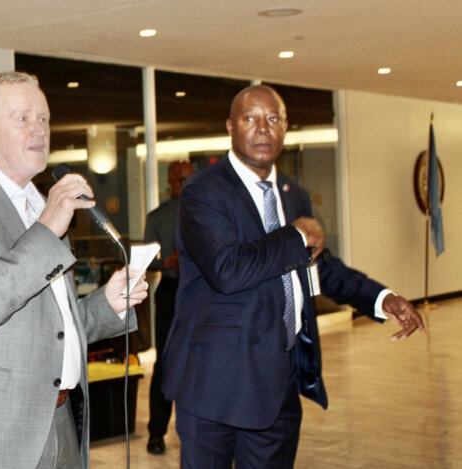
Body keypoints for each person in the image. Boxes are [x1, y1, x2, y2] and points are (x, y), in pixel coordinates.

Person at [161, 84, 425, 468]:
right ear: (230, 127)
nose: (263, 129)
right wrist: (296, 234)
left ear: (285, 127)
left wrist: (382, 298)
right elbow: (227, 269)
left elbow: (320, 266)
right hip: (215, 385)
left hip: (278, 382)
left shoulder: (293, 195)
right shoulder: (203, 192)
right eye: (250, 119)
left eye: (273, 119)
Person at [0, 71, 148, 469]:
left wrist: (107, 303)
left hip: (57, 425)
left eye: (44, 119)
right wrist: (47, 228)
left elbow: (49, 327)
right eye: (22, 118)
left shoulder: (40, 204)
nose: (39, 130)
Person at [143, 160, 194, 455]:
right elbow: (148, 259)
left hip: (201, 293)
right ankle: (156, 432)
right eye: (180, 181)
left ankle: (196, 430)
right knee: (165, 363)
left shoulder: (206, 210)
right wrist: (166, 262)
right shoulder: (158, 217)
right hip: (171, 291)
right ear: (170, 183)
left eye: (189, 179)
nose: (184, 185)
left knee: (198, 362)